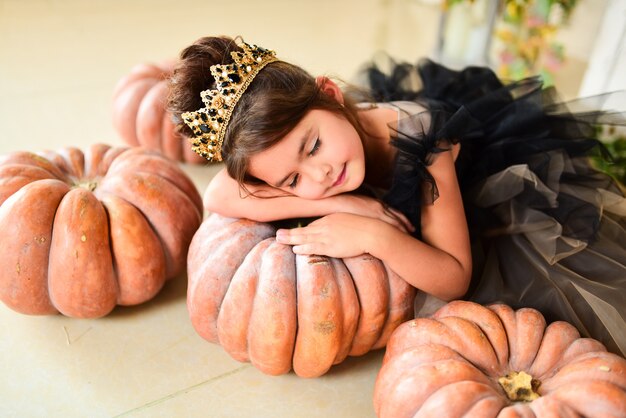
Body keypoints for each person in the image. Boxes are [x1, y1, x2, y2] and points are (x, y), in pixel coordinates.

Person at [168, 35, 626, 356]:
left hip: (485, 183)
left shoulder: (425, 139)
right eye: (291, 181)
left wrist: (374, 234)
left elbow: (454, 276)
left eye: (313, 146)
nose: (321, 173)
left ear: (331, 95)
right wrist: (339, 203)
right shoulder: (317, 166)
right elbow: (220, 194)